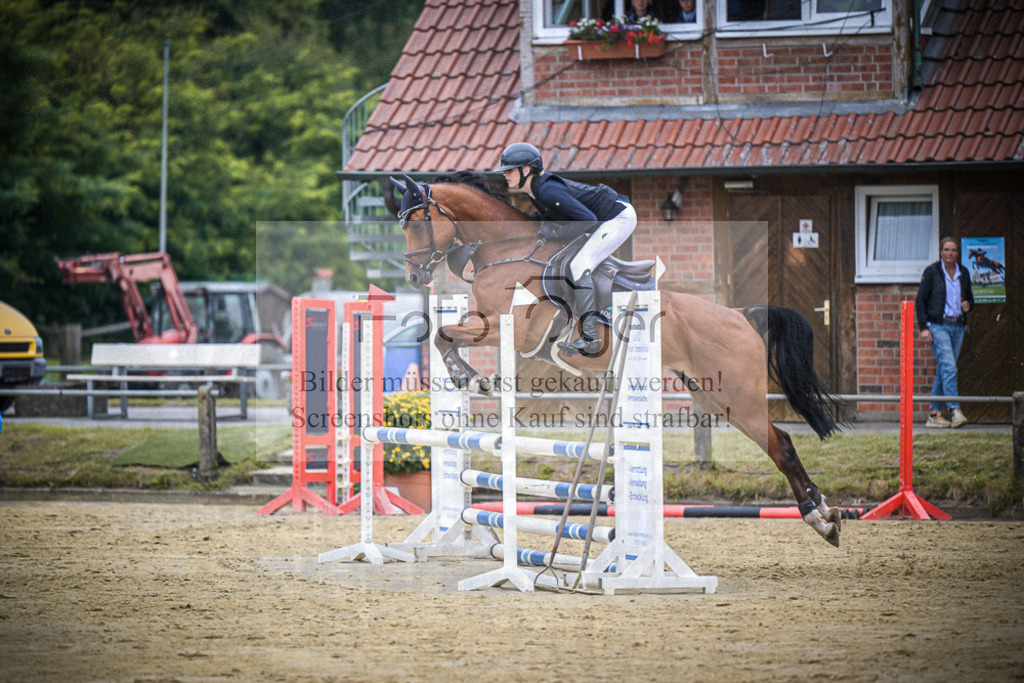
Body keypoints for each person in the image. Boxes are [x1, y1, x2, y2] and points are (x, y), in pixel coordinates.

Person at [494, 142, 637, 357]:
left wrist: (553, 234)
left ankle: (590, 337)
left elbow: (588, 220)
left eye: (510, 170)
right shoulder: (536, 191)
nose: (505, 175)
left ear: (526, 170)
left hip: (617, 217)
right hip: (603, 219)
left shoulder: (547, 190)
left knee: (580, 265)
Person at [915, 236, 974, 428]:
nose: (950, 253)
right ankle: (954, 410)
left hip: (958, 326)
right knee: (949, 366)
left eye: (954, 250)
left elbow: (970, 300)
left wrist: (968, 306)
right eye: (947, 250)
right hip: (938, 326)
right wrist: (923, 327)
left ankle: (934, 414)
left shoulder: (963, 272)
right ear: (941, 251)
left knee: (944, 367)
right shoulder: (932, 272)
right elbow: (920, 301)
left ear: (958, 253)